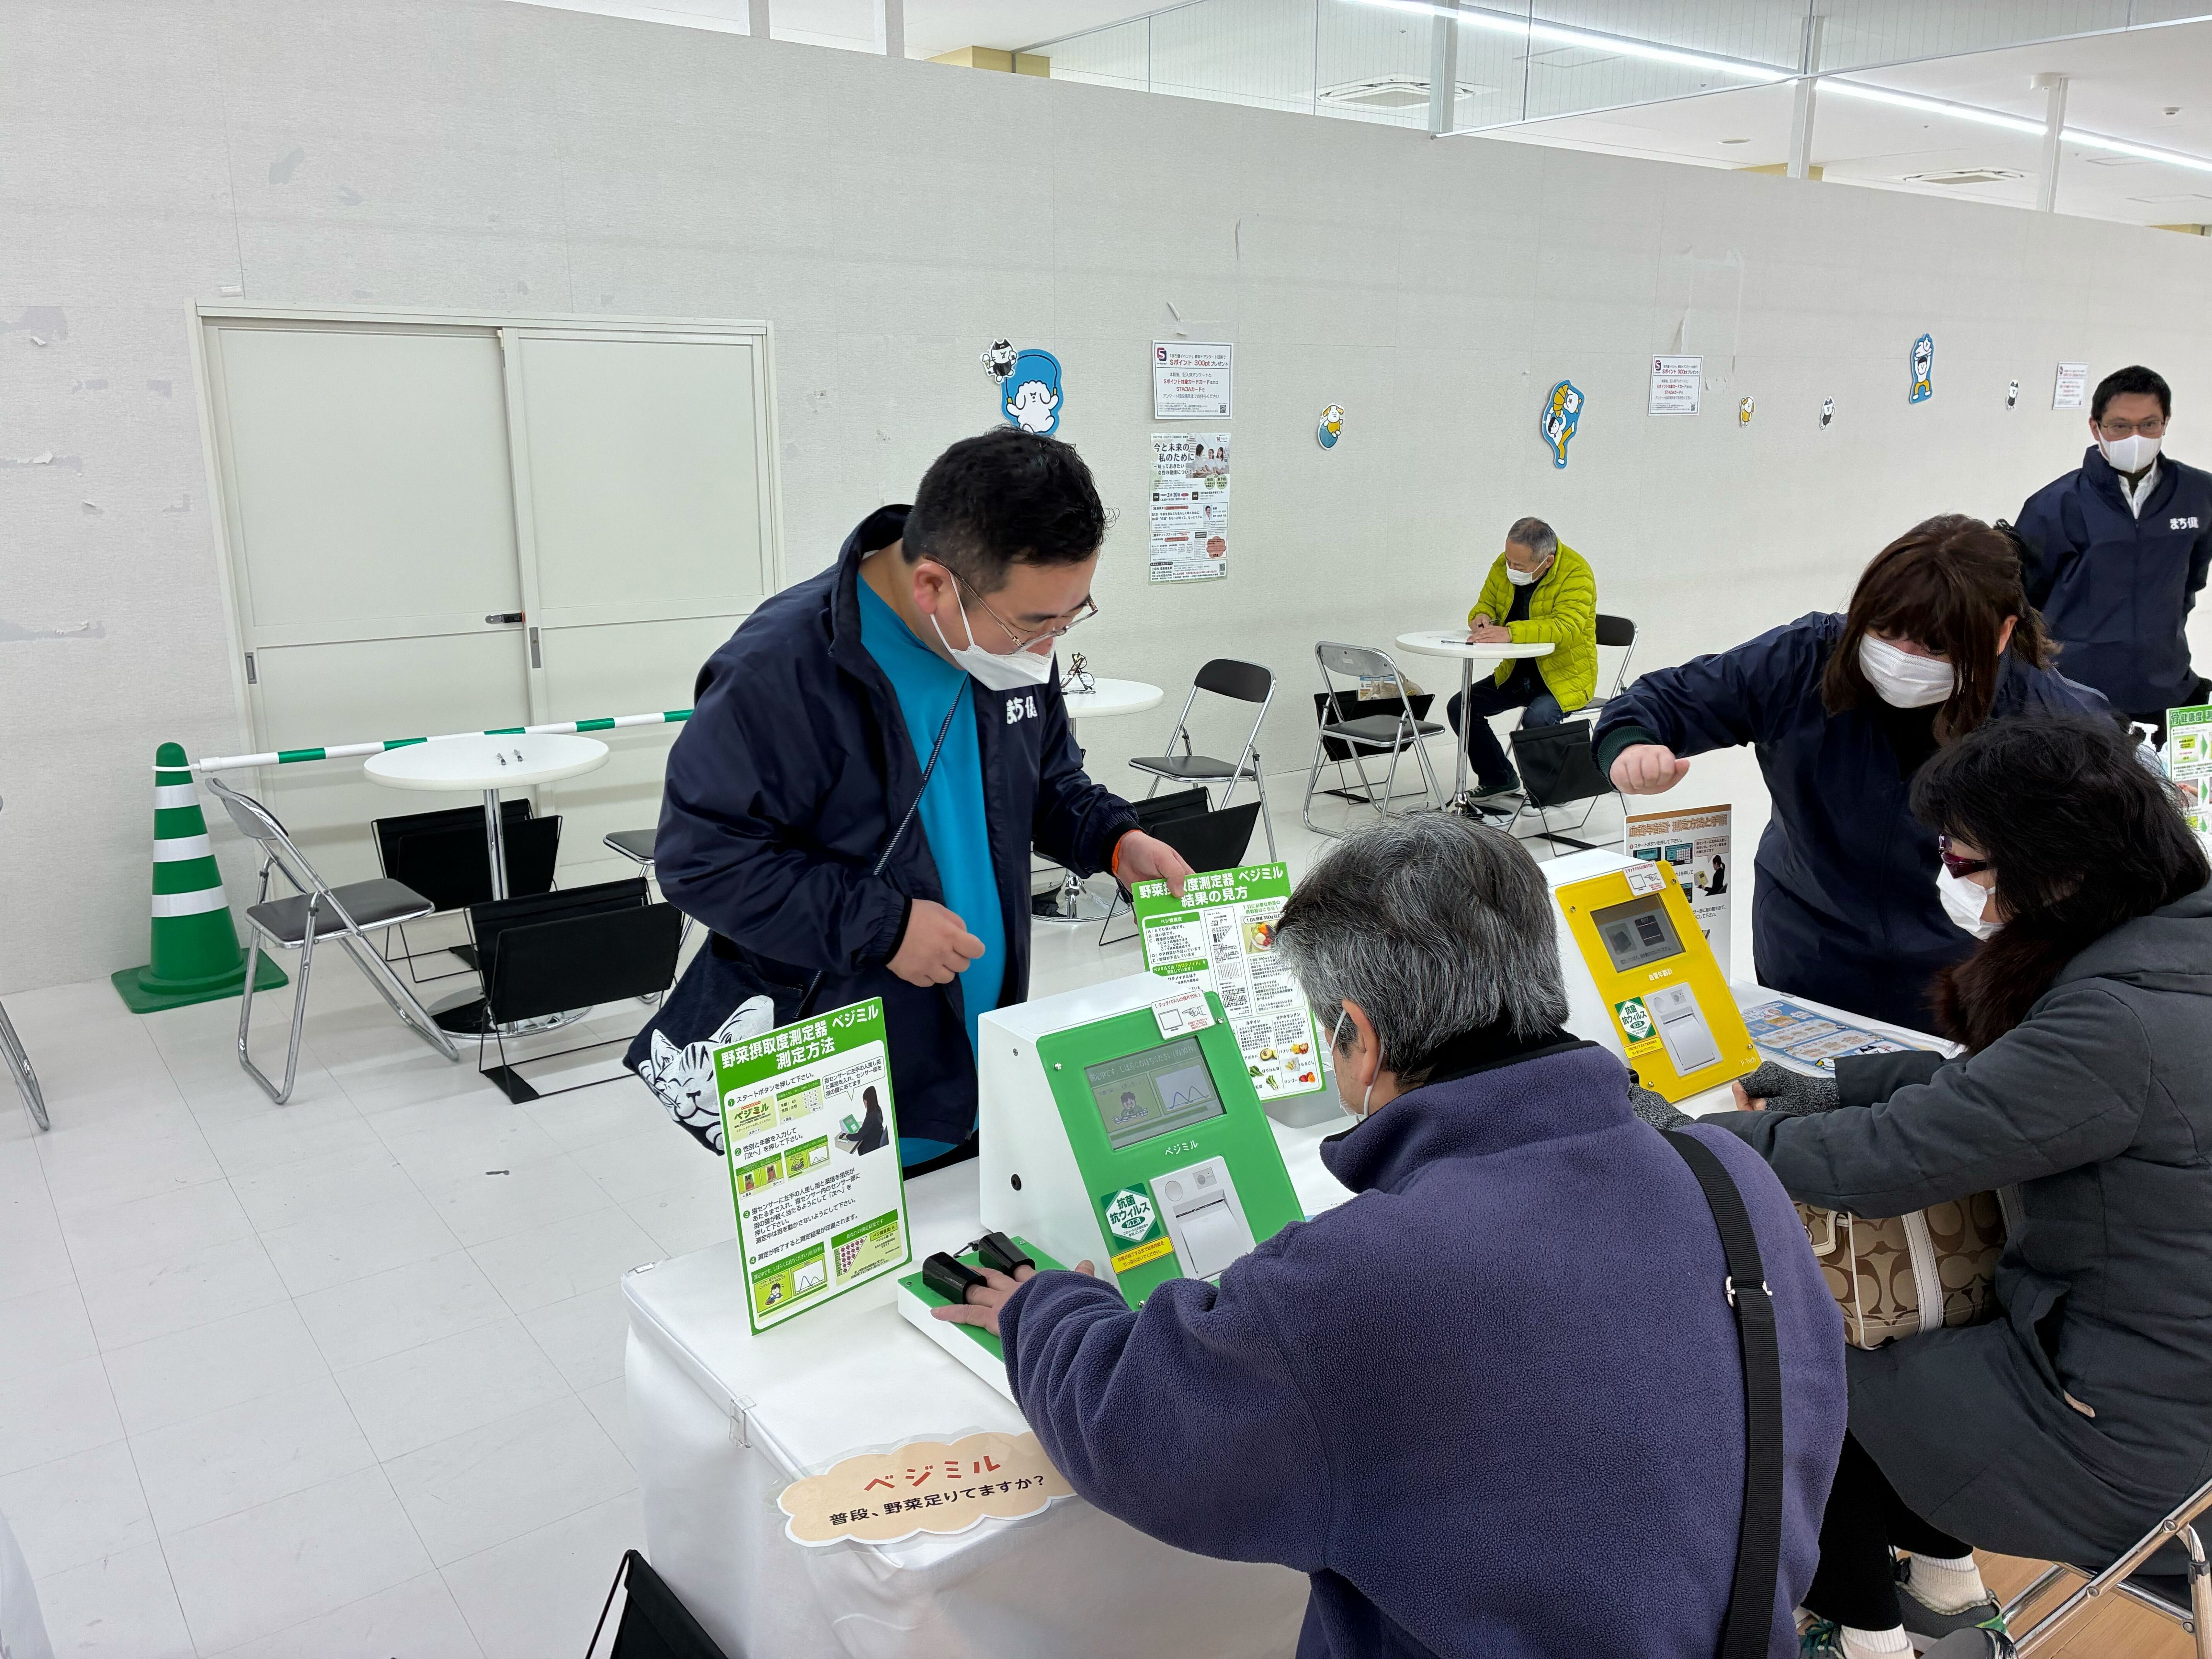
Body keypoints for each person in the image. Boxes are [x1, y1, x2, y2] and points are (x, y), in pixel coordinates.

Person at [934, 815, 1846, 1658]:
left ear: (1358, 1038)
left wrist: (1045, 1309)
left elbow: (1135, 1430)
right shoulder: (1731, 1178)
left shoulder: (1363, 1274)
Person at [1697, 715, 2212, 1658]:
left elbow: (1886, 1161)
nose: (1952, 879)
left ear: (2054, 871)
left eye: (1962, 860)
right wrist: (1835, 1087)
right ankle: (1945, 1587)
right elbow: (2010, 1090)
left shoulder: (2114, 1023)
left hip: (2134, 1449)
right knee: (1924, 1339)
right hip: (2170, 1389)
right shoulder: (2173, 953)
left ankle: (1864, 1637)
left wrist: (1694, 1137)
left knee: (1791, 1375)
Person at [634, 429, 1193, 1168]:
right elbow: (703, 858)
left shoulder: (1005, 646)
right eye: (1036, 622)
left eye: (1072, 615)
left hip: (983, 1066)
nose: (1051, 644)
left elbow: (1047, 783)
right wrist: (887, 927)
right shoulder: (781, 669)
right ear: (933, 585)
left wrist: (1115, 841)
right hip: (845, 1090)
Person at [1594, 514, 2106, 1030]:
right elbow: (1666, 700)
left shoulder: (2049, 724)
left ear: (2001, 634)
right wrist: (1630, 744)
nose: (1902, 658)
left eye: (1935, 647)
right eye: (1885, 632)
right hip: (1808, 942)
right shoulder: (1803, 659)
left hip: (1959, 966)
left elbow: (2115, 864)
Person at [2014, 365, 2212, 735]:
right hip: (2075, 696)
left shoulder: (2199, 494)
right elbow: (2025, 600)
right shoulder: (2054, 505)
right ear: (2096, 427)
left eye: (2149, 425)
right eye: (2120, 426)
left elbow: (2191, 582)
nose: (2136, 437)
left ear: (2166, 423)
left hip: (2164, 687)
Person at [1446, 517, 1597, 799]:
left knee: (1538, 718)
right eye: (1509, 562)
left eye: (1520, 567)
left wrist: (1510, 633)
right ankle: (1499, 778)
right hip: (1516, 673)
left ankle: (1551, 791)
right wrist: (1481, 617)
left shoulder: (1577, 574)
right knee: (1462, 706)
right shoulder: (1504, 564)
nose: (1511, 569)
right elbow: (1486, 603)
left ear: (1548, 561)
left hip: (1564, 677)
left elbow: (1567, 627)